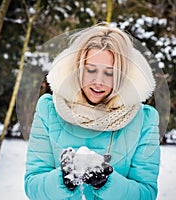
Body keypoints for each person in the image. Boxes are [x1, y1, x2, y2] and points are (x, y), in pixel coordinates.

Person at [24, 23, 160, 200]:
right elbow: (32, 185)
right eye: (90, 70)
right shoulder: (48, 110)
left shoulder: (144, 120)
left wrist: (107, 182)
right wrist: (63, 179)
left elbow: (146, 193)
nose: (98, 81)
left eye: (109, 73)